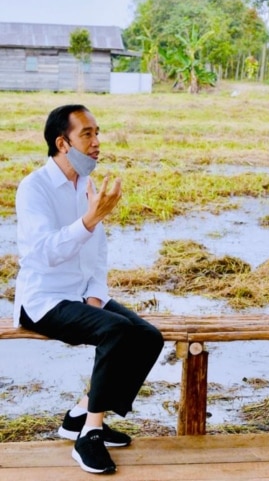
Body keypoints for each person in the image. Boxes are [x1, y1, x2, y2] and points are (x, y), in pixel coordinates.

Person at [14, 104, 164, 474]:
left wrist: (96, 295)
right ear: (62, 143)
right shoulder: (34, 188)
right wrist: (90, 218)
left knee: (148, 337)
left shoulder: (86, 185)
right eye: (88, 134)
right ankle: (89, 434)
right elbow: (42, 255)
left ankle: (79, 413)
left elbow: (97, 252)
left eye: (98, 133)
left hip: (82, 293)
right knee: (115, 330)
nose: (97, 143)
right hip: (44, 300)